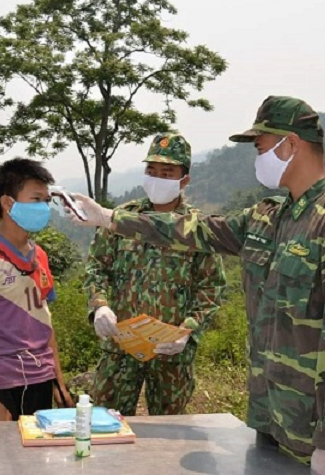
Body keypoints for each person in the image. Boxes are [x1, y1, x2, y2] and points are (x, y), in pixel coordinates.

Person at [69, 97, 325, 474]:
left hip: (314, 431)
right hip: (270, 416)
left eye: (260, 147)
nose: (258, 157)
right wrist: (110, 218)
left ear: (290, 144)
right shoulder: (269, 216)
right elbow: (197, 230)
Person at [84, 133, 225, 416]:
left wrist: (187, 330)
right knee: (107, 424)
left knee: (170, 431)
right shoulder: (121, 218)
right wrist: (100, 305)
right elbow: (96, 266)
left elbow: (211, 288)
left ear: (184, 179)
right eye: (152, 171)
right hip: (121, 344)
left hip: (170, 351)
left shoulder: (196, 229)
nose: (157, 177)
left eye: (167, 172)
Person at [0, 158, 74, 475]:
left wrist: (58, 383)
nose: (44, 208)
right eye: (36, 199)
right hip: (2, 388)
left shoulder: (39, 255)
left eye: (47, 200)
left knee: (38, 467)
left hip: (40, 384)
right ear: (8, 203)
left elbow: (44, 322)